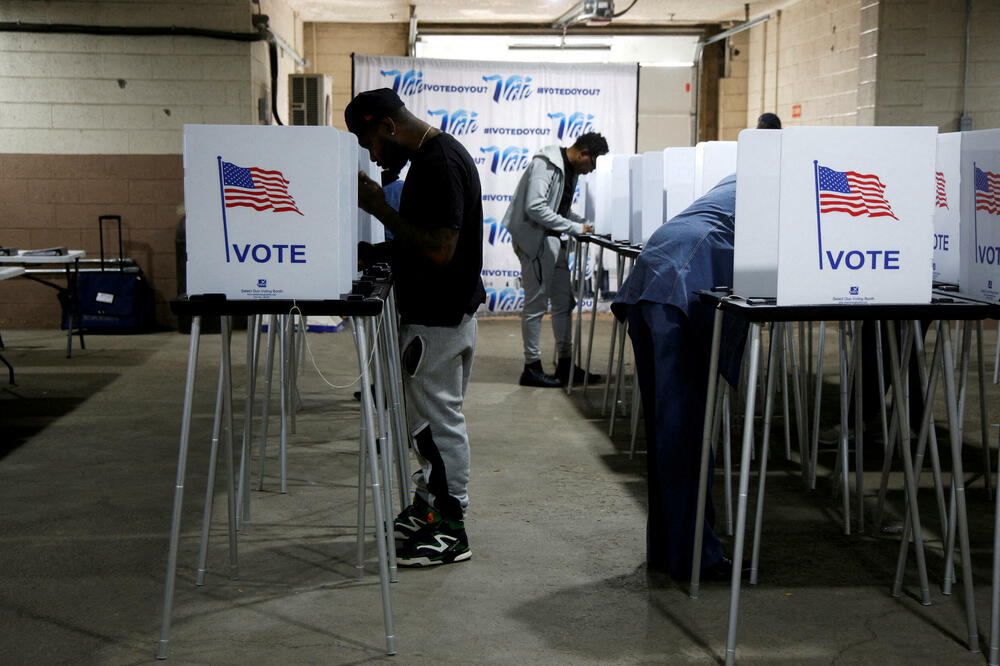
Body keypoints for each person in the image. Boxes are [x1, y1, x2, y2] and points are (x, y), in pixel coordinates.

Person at [346, 88, 486, 567]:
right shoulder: (432, 157)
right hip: (439, 311)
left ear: (387, 127)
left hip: (440, 316)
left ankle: (452, 527)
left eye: (371, 144)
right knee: (424, 423)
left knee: (438, 425)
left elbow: (440, 249)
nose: (374, 156)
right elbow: (424, 238)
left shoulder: (438, 163)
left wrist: (378, 208)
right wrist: (378, 252)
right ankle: (430, 508)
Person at [611, 174, 747, 581]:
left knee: (666, 429)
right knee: (684, 430)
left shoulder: (741, 176)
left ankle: (668, 550)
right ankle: (695, 558)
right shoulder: (791, 185)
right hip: (681, 287)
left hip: (651, 276)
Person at [501, 132, 610, 387]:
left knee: (563, 302)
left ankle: (565, 364)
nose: (589, 171)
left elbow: (558, 209)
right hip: (535, 242)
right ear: (583, 153)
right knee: (535, 305)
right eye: (591, 164)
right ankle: (531, 367)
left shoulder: (568, 170)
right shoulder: (547, 163)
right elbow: (535, 207)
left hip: (551, 241)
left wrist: (583, 224)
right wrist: (575, 229)